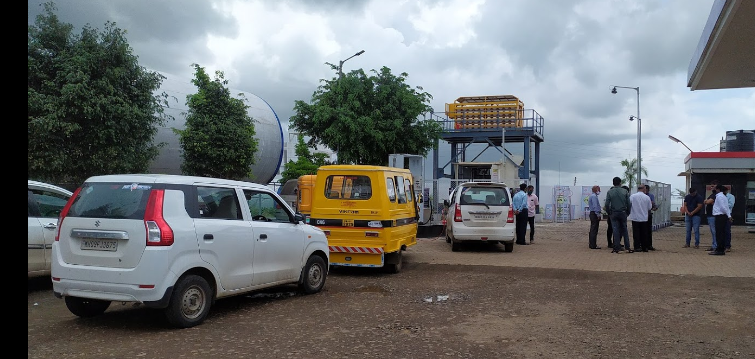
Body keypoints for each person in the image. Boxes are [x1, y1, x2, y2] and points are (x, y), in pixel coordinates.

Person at [604, 177, 632, 254]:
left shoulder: (610, 192)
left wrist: (609, 212)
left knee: (615, 230)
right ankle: (627, 247)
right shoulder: (625, 191)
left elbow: (607, 204)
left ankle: (617, 247)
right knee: (624, 230)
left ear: (613, 183)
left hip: (614, 213)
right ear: (620, 183)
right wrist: (628, 212)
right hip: (623, 212)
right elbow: (629, 203)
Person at [709, 184, 733, 256]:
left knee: (719, 233)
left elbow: (723, 207)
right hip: (722, 216)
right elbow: (726, 208)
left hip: (720, 216)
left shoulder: (719, 197)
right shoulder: (723, 196)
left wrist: (728, 216)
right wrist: (729, 215)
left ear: (718, 189)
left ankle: (720, 249)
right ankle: (720, 248)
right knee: (721, 233)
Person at [629, 185, 653, 252]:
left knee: (636, 233)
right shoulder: (647, 197)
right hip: (644, 218)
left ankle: (636, 247)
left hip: (635, 217)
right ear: (644, 189)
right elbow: (649, 208)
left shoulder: (633, 196)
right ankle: (644, 247)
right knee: (644, 233)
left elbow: (629, 204)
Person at [703, 181, 719, 251]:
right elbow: (705, 201)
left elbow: (708, 202)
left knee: (714, 231)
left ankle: (715, 245)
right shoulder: (712, 195)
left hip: (713, 216)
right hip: (710, 215)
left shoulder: (716, 195)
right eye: (711, 186)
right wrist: (707, 201)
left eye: (713, 186)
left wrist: (708, 201)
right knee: (713, 231)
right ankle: (714, 244)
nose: (711, 187)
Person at [587, 185, 602, 249]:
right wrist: (598, 214)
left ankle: (592, 244)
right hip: (594, 214)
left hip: (593, 213)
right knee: (594, 229)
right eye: (599, 189)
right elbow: (595, 206)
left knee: (593, 229)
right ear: (596, 190)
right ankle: (593, 245)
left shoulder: (593, 196)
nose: (600, 191)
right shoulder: (594, 197)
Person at [643, 184, 657, 250]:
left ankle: (649, 245)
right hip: (642, 214)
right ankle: (643, 244)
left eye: (646, 189)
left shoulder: (651, 195)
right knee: (643, 230)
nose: (645, 191)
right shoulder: (641, 196)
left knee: (649, 230)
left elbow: (653, 205)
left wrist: (654, 206)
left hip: (648, 214)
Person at [723, 186, 735, 252]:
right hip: (721, 215)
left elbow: (731, 205)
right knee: (721, 230)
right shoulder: (720, 196)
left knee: (727, 230)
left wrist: (723, 205)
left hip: (728, 214)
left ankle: (727, 246)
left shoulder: (731, 196)